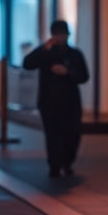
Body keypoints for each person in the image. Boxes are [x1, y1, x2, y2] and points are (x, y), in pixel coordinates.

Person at [23, 20, 90, 178]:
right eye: (57, 35)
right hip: (49, 102)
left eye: (63, 34)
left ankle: (67, 162)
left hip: (71, 102)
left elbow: (84, 76)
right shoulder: (46, 53)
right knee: (53, 135)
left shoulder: (75, 54)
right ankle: (54, 166)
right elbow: (27, 64)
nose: (60, 38)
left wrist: (67, 72)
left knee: (72, 134)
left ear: (68, 35)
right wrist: (42, 49)